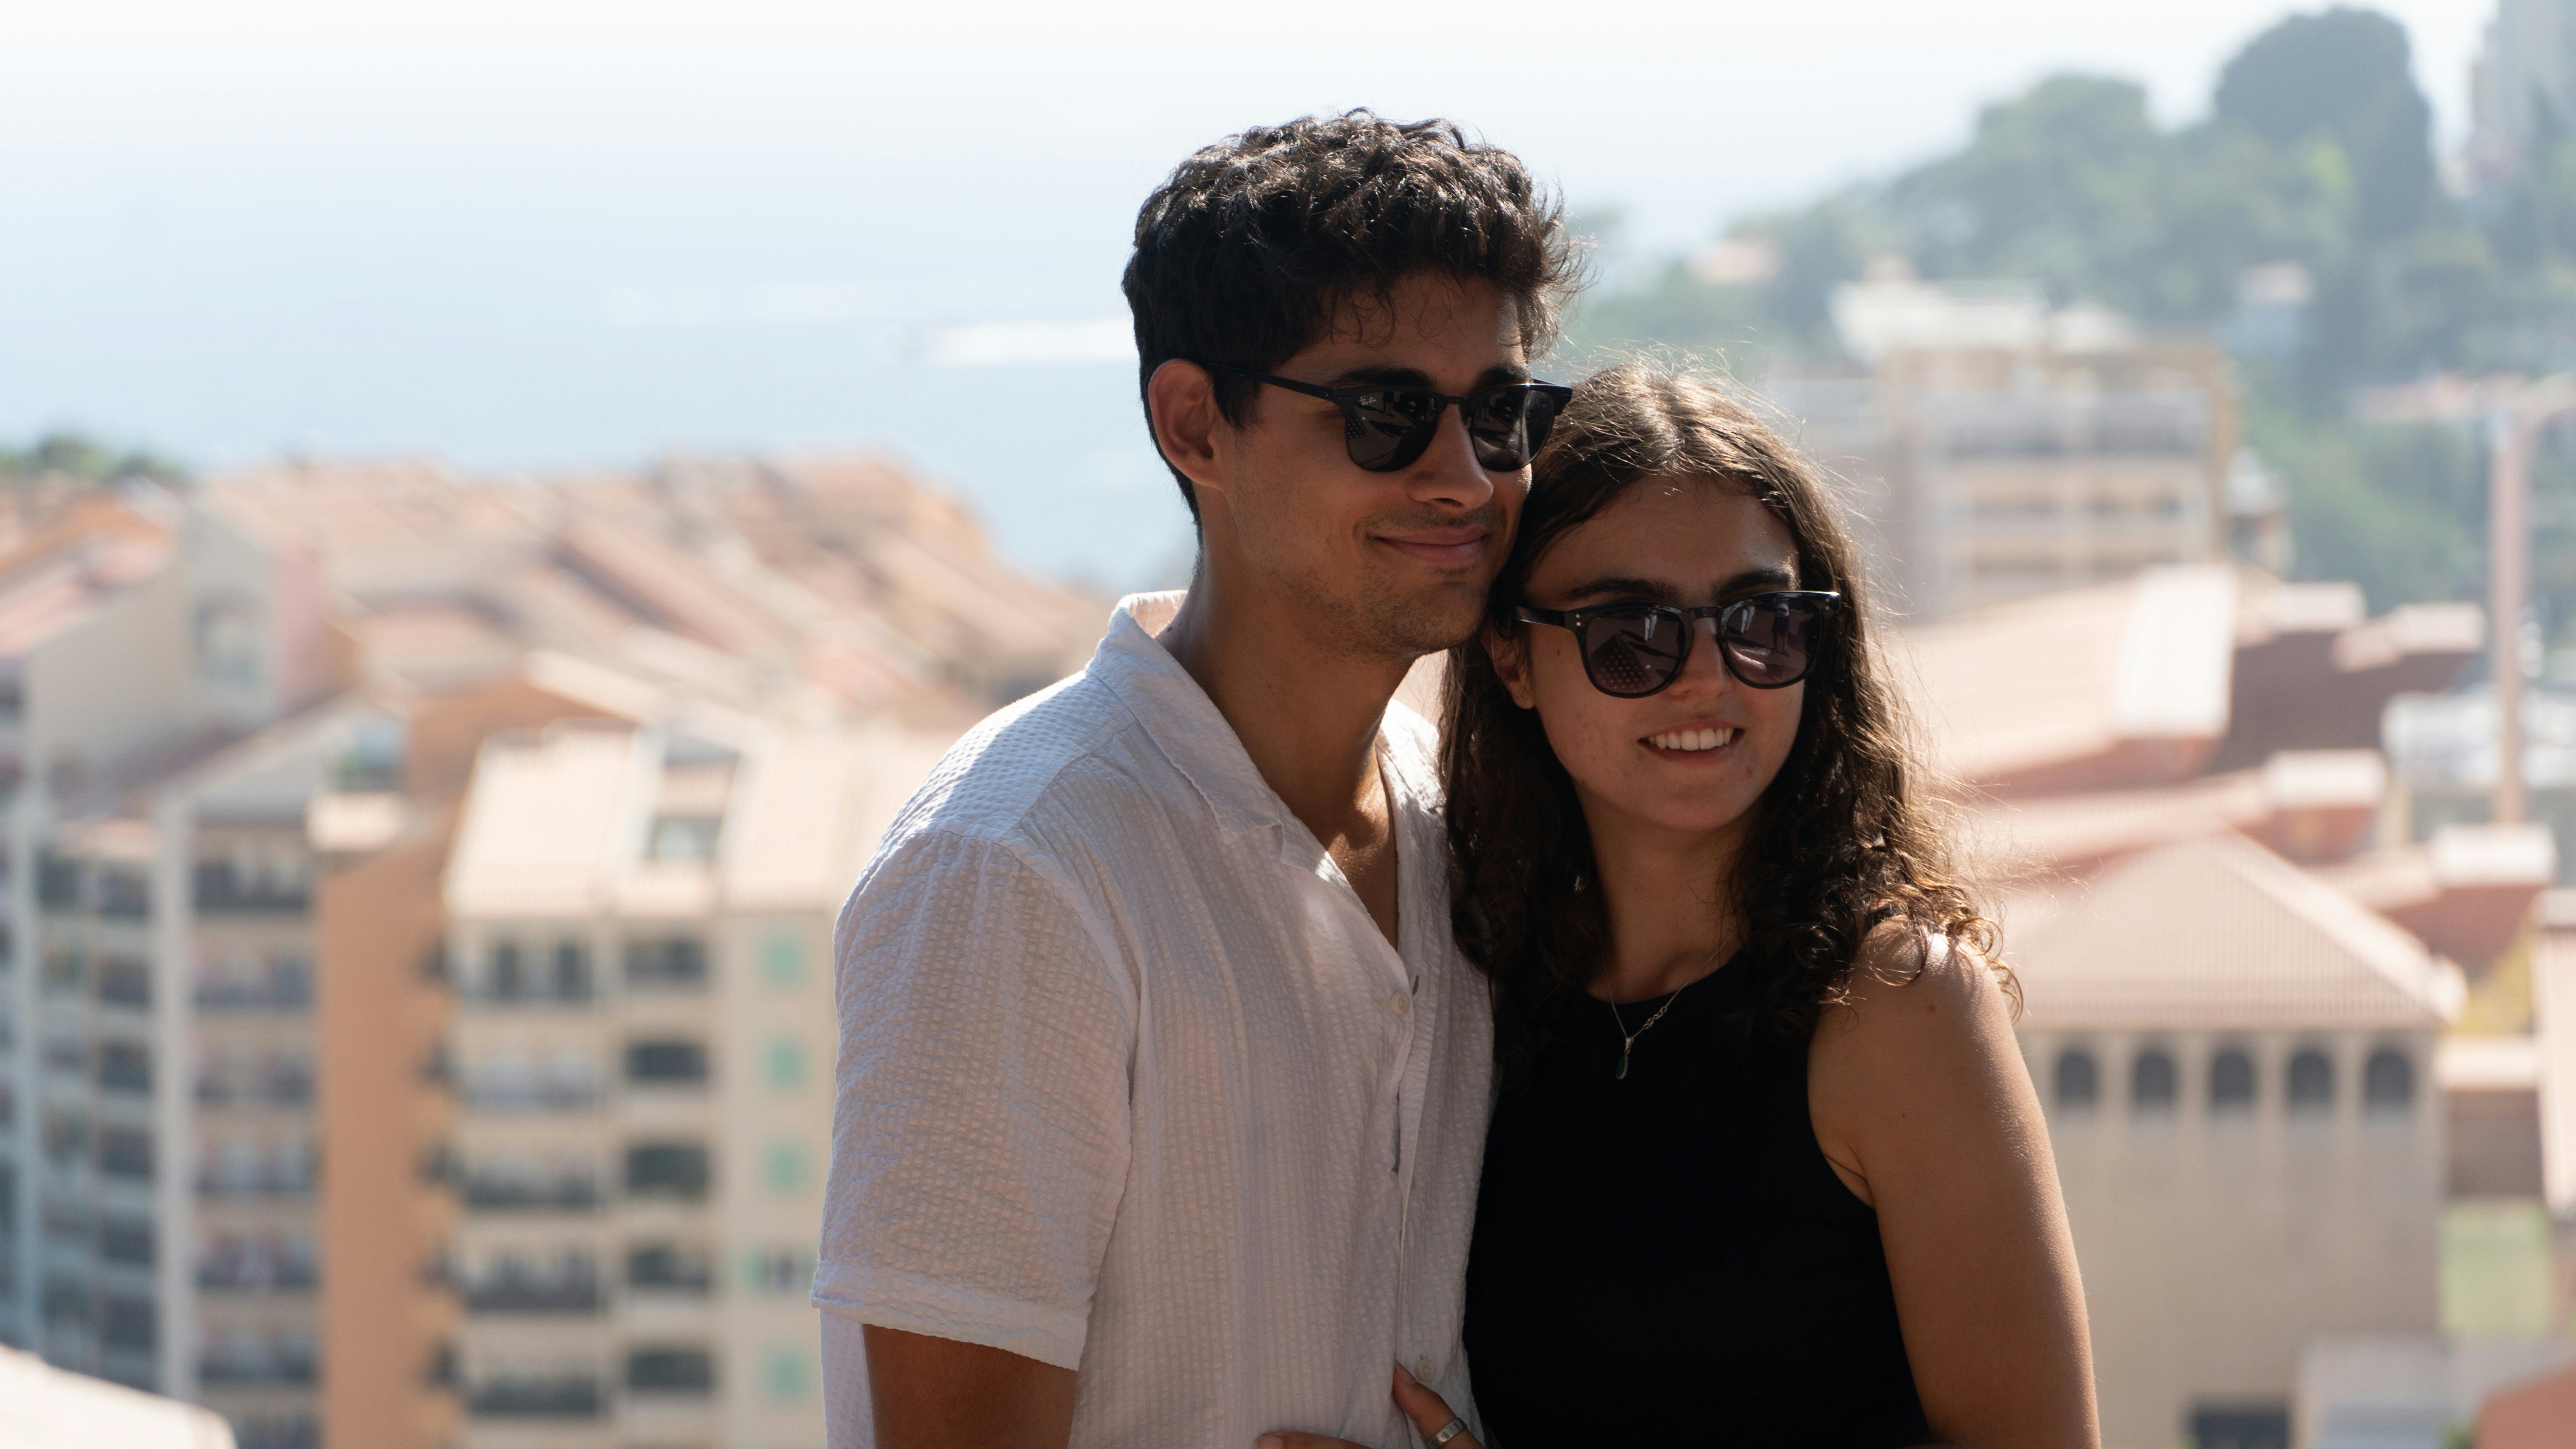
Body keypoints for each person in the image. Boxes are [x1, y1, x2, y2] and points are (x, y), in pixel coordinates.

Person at [813, 111, 1579, 1449]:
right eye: (1389, 416)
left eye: (1501, 413)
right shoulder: (1014, 873)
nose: (1465, 476)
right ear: (1194, 426)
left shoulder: (1460, 827)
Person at [1266, 364, 2097, 1449]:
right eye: (1630, 630)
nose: (1708, 677)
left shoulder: (1896, 1007)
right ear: (1512, 653)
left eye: (1762, 621)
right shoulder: (1480, 988)